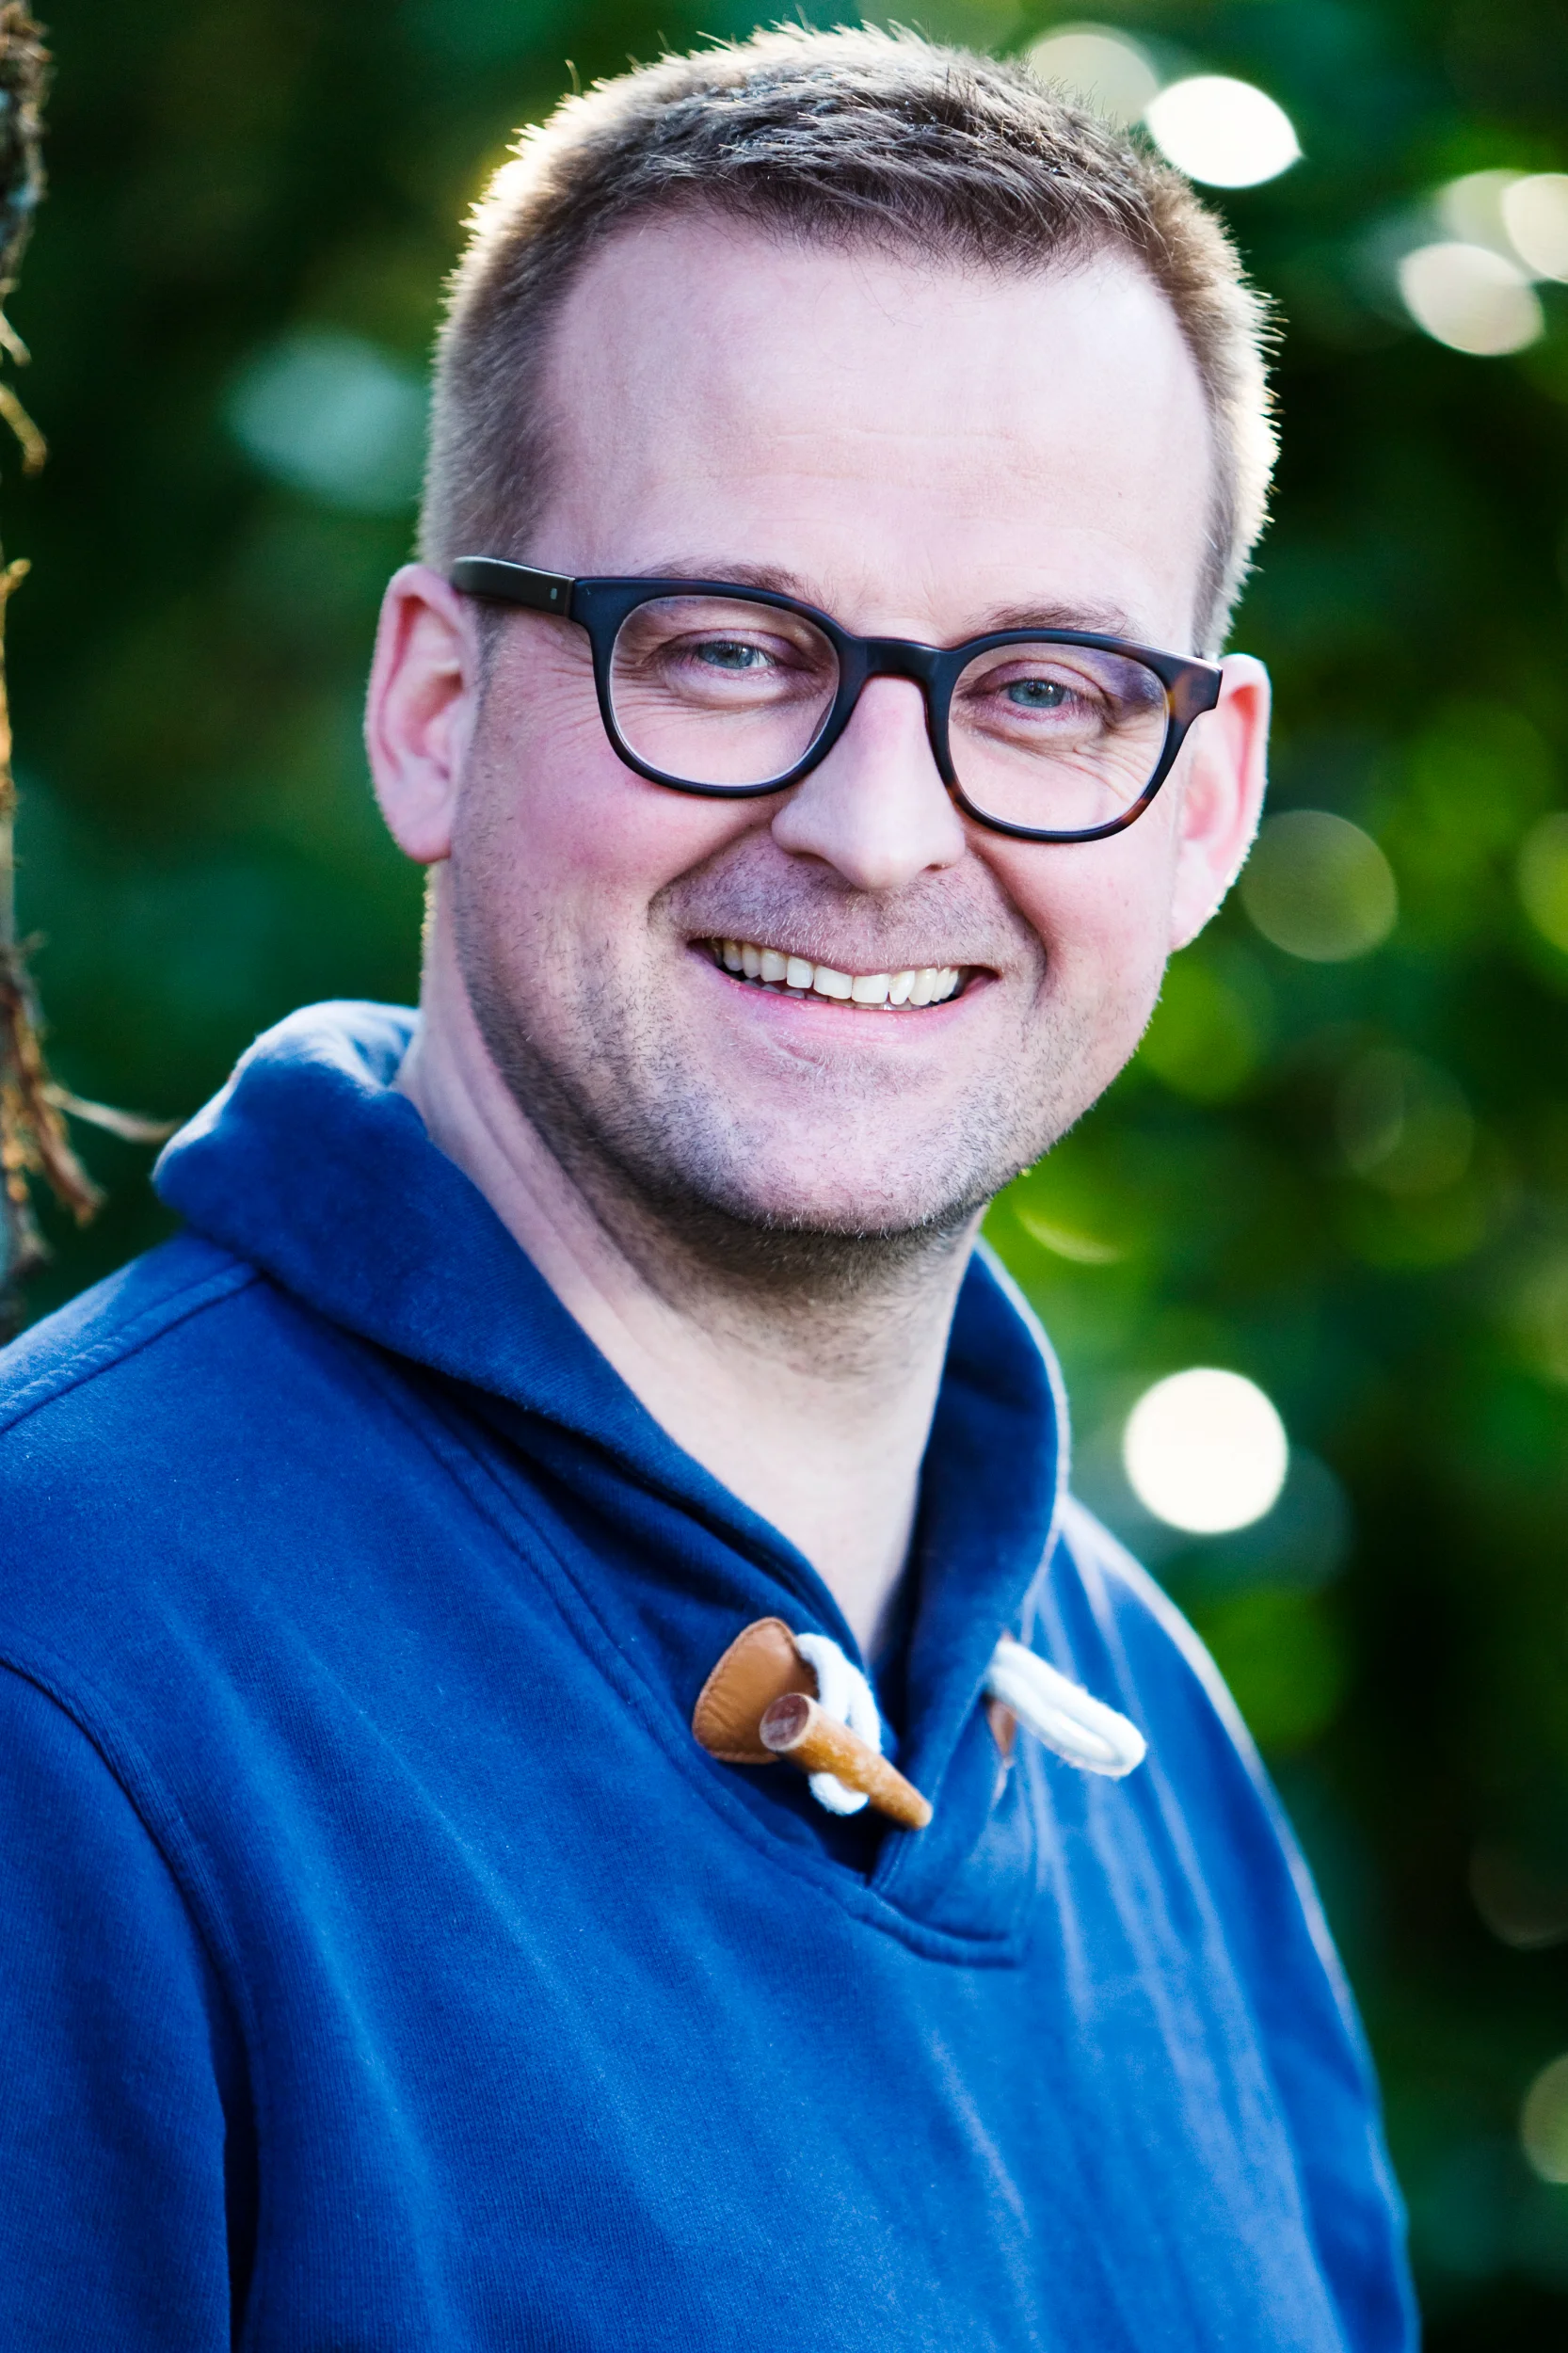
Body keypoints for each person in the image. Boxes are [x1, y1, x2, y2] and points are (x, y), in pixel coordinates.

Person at [0, 25, 1415, 2350]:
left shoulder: (1138, 1733)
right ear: (435, 705)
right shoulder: (64, 1684)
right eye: (729, 648)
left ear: (1199, 799)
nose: (875, 829)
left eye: (1045, 687)